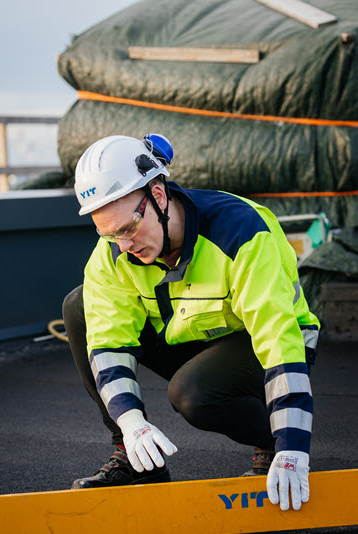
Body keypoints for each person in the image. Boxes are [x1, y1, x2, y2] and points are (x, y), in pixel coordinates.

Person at [63, 134, 319, 511]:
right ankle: (135, 459)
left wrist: (293, 446)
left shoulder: (241, 232)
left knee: (192, 394)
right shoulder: (114, 252)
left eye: (129, 228)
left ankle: (271, 439)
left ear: (159, 195)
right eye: (110, 234)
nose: (124, 245)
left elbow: (278, 339)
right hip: (191, 331)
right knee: (79, 304)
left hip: (259, 340)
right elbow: (107, 341)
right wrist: (131, 422)